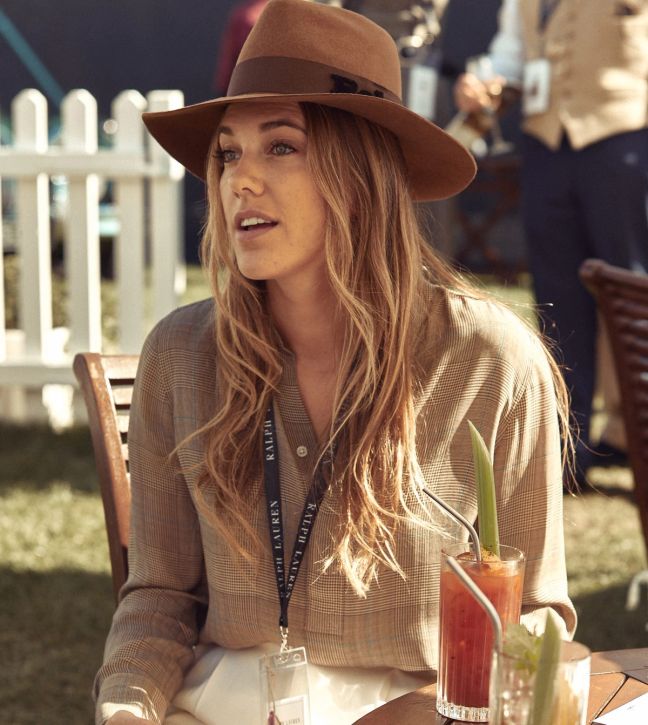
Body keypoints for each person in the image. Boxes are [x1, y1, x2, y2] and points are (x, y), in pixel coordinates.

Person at [94, 1, 576, 723]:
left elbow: (534, 615)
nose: (239, 181)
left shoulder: (493, 362)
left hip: (418, 710)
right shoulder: (182, 354)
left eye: (280, 147)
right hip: (221, 707)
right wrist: (126, 710)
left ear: (361, 171)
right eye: (227, 154)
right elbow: (159, 599)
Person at [454, 0, 648, 481]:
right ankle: (569, 448)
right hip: (545, 148)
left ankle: (635, 438)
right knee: (557, 298)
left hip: (626, 142)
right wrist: (485, 83)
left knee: (635, 291)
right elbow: (511, 56)